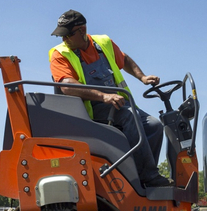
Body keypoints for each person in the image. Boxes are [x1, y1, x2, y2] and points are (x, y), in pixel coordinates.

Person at [48, 9, 172, 188]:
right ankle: (149, 178)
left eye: (67, 35)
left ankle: (139, 175)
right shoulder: (60, 54)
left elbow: (124, 59)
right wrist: (103, 96)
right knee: (129, 116)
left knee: (154, 125)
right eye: (61, 36)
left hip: (118, 104)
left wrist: (142, 77)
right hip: (88, 110)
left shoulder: (103, 43)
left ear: (82, 31)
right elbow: (67, 86)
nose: (64, 40)